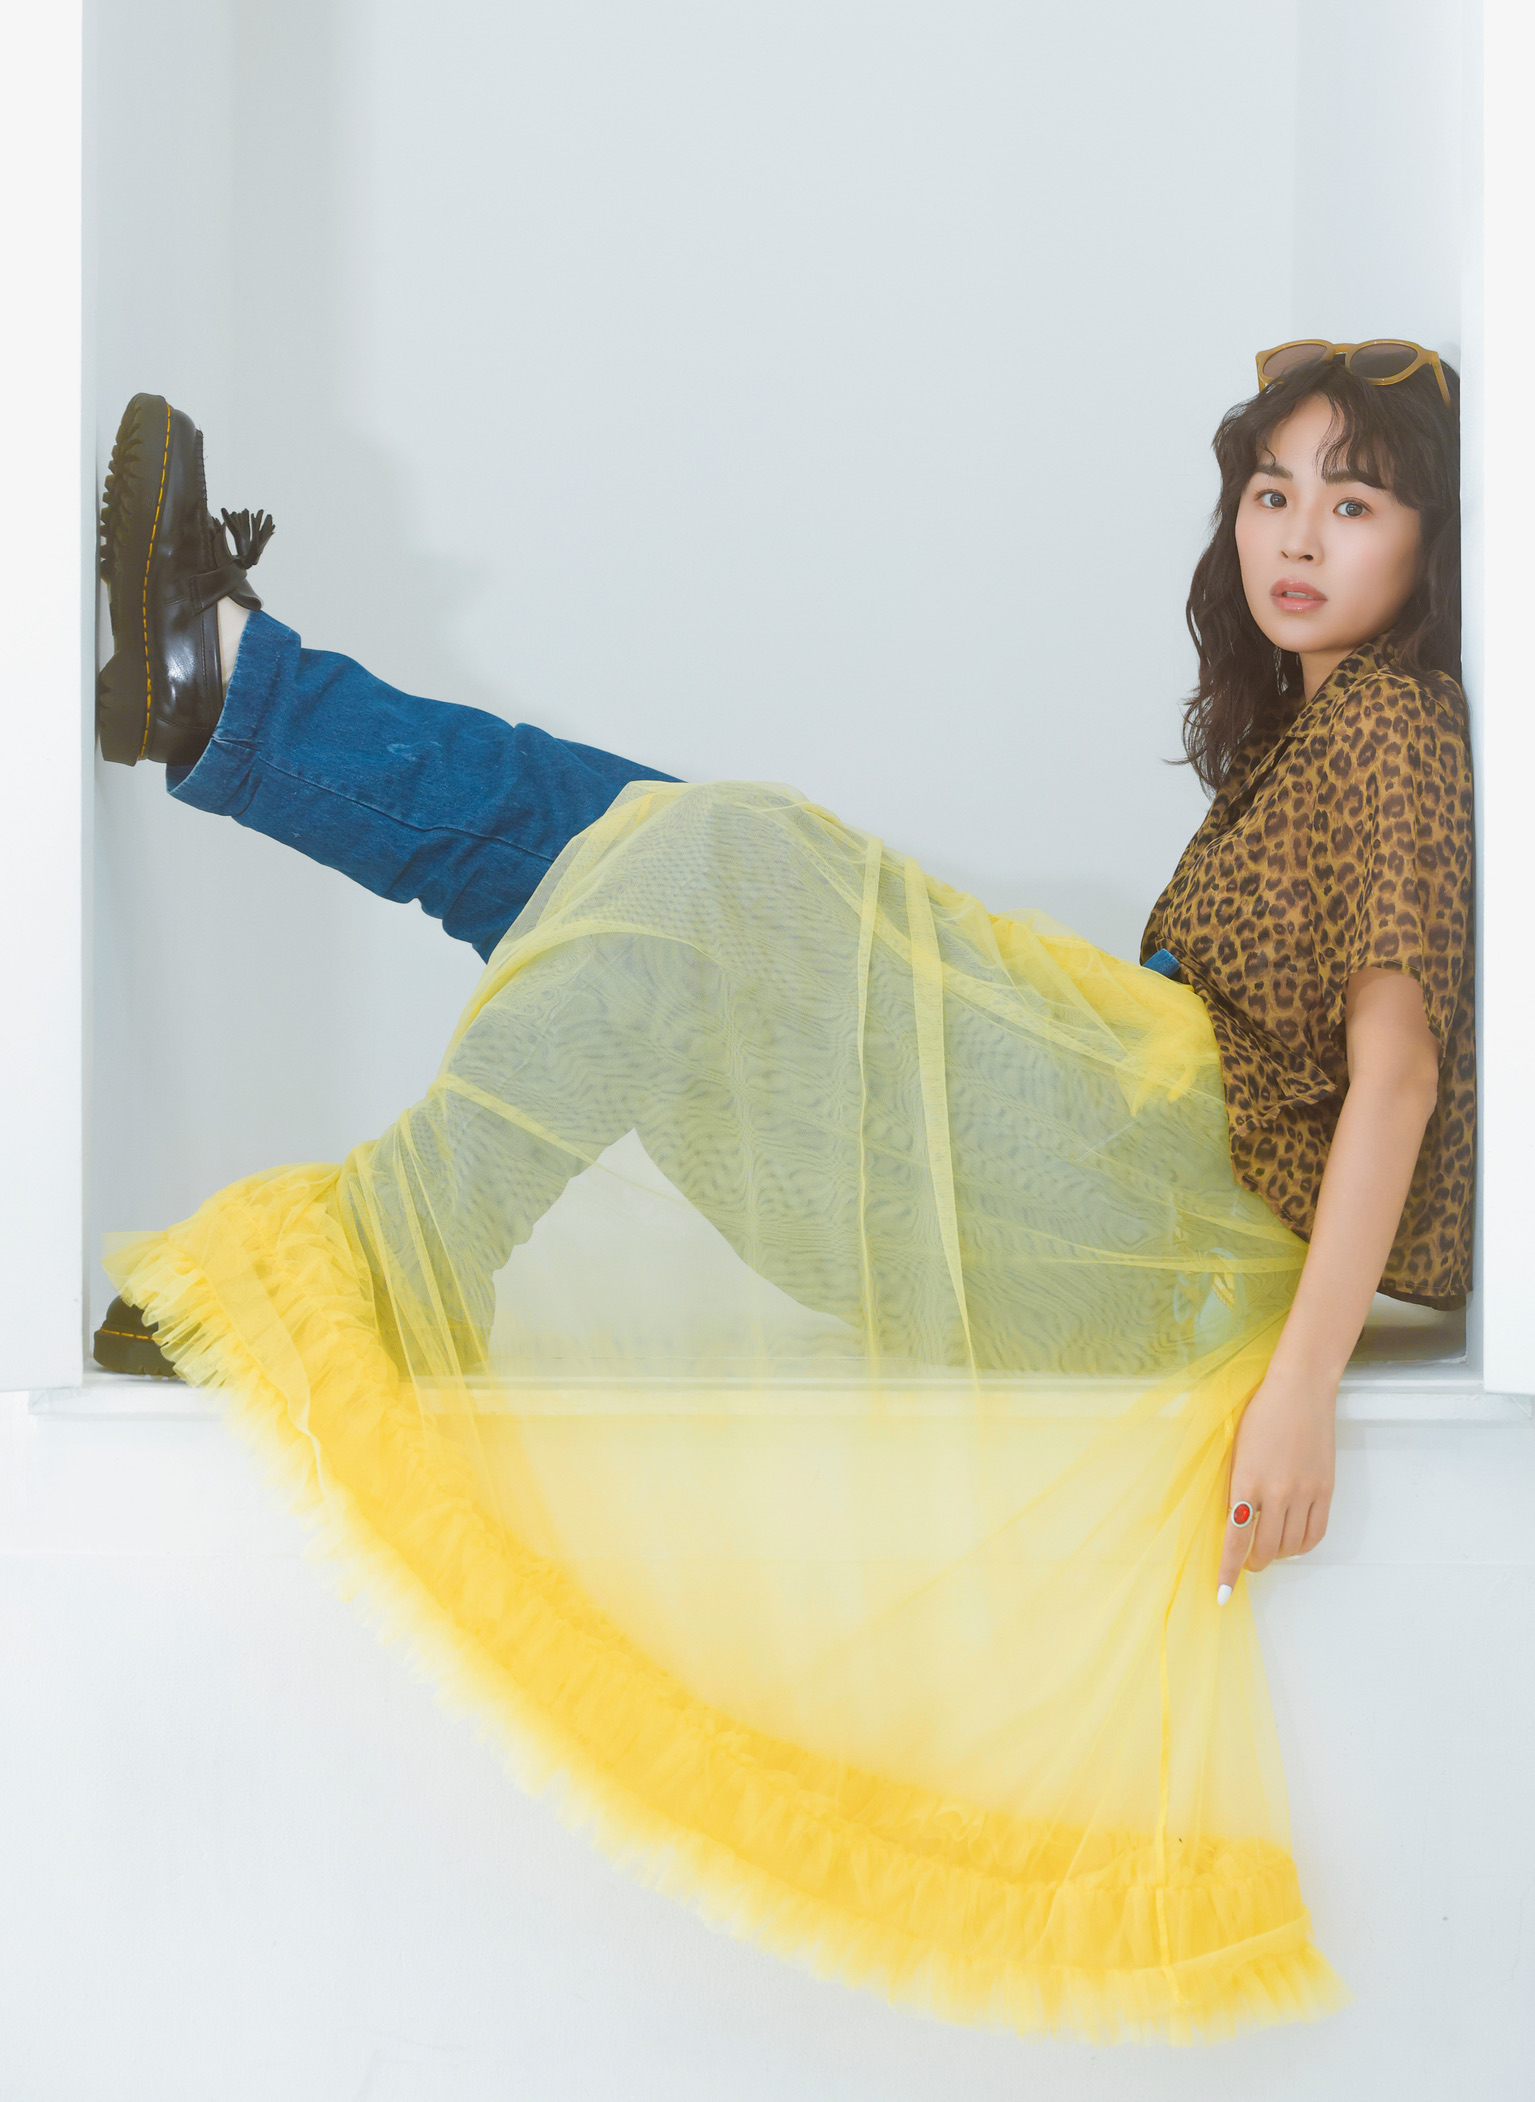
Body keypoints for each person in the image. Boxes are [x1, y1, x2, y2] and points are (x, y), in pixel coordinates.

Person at [94, 340, 1471, 2043]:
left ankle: (374, 1249)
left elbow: (1398, 1078)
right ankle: (224, 691)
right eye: (1272, 492)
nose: (1299, 536)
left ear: (1430, 545)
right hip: (1098, 1172)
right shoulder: (1313, 735)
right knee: (640, 845)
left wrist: (1302, 1388)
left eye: (1355, 503)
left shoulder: (1392, 727)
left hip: (1137, 1227)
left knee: (702, 858)